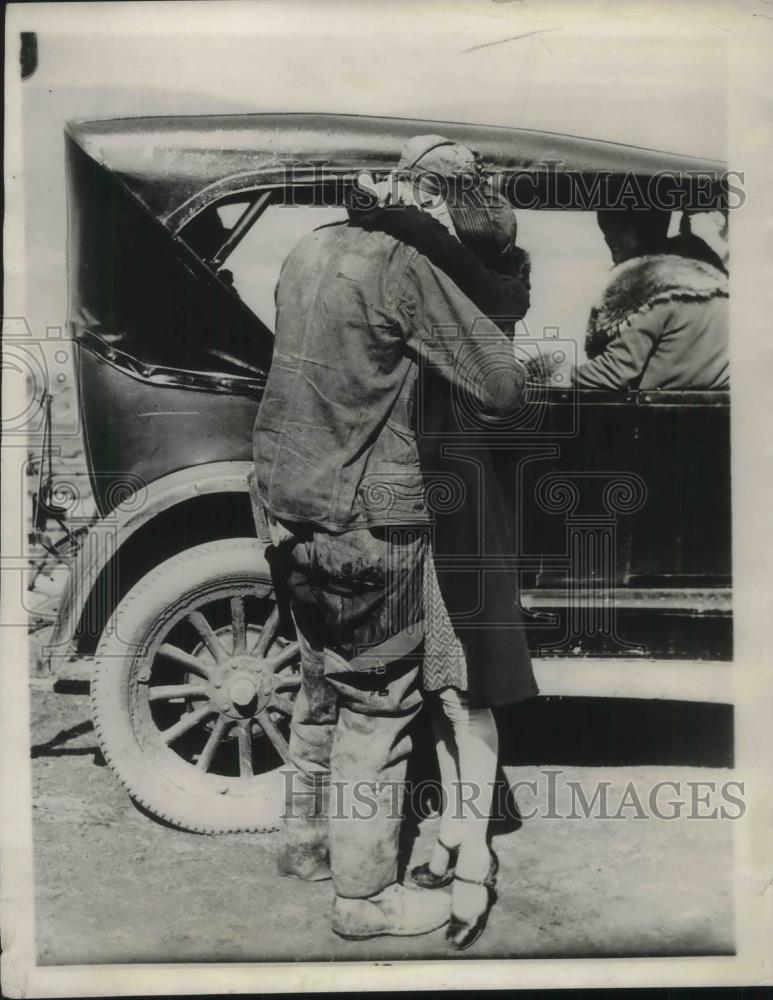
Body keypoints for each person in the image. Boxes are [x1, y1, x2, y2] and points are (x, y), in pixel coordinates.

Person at [252, 140, 528, 941]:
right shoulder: (405, 267)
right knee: (378, 706)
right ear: (431, 200)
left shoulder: (308, 249)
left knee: (318, 682)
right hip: (365, 521)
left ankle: (304, 843)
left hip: (283, 503)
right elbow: (501, 384)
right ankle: (364, 901)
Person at [347, 135, 538, 949]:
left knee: (465, 683)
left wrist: (391, 208)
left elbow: (445, 257)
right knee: (448, 684)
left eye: (426, 190)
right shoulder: (479, 270)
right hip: (441, 487)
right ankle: (463, 836)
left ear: (443, 198)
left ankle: (470, 860)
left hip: (448, 487)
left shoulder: (452, 266)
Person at [575, 207, 729, 390]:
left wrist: (553, 374)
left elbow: (615, 371)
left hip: (659, 415)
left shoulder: (656, 298)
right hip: (717, 411)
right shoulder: (718, 290)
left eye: (614, 243)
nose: (614, 255)